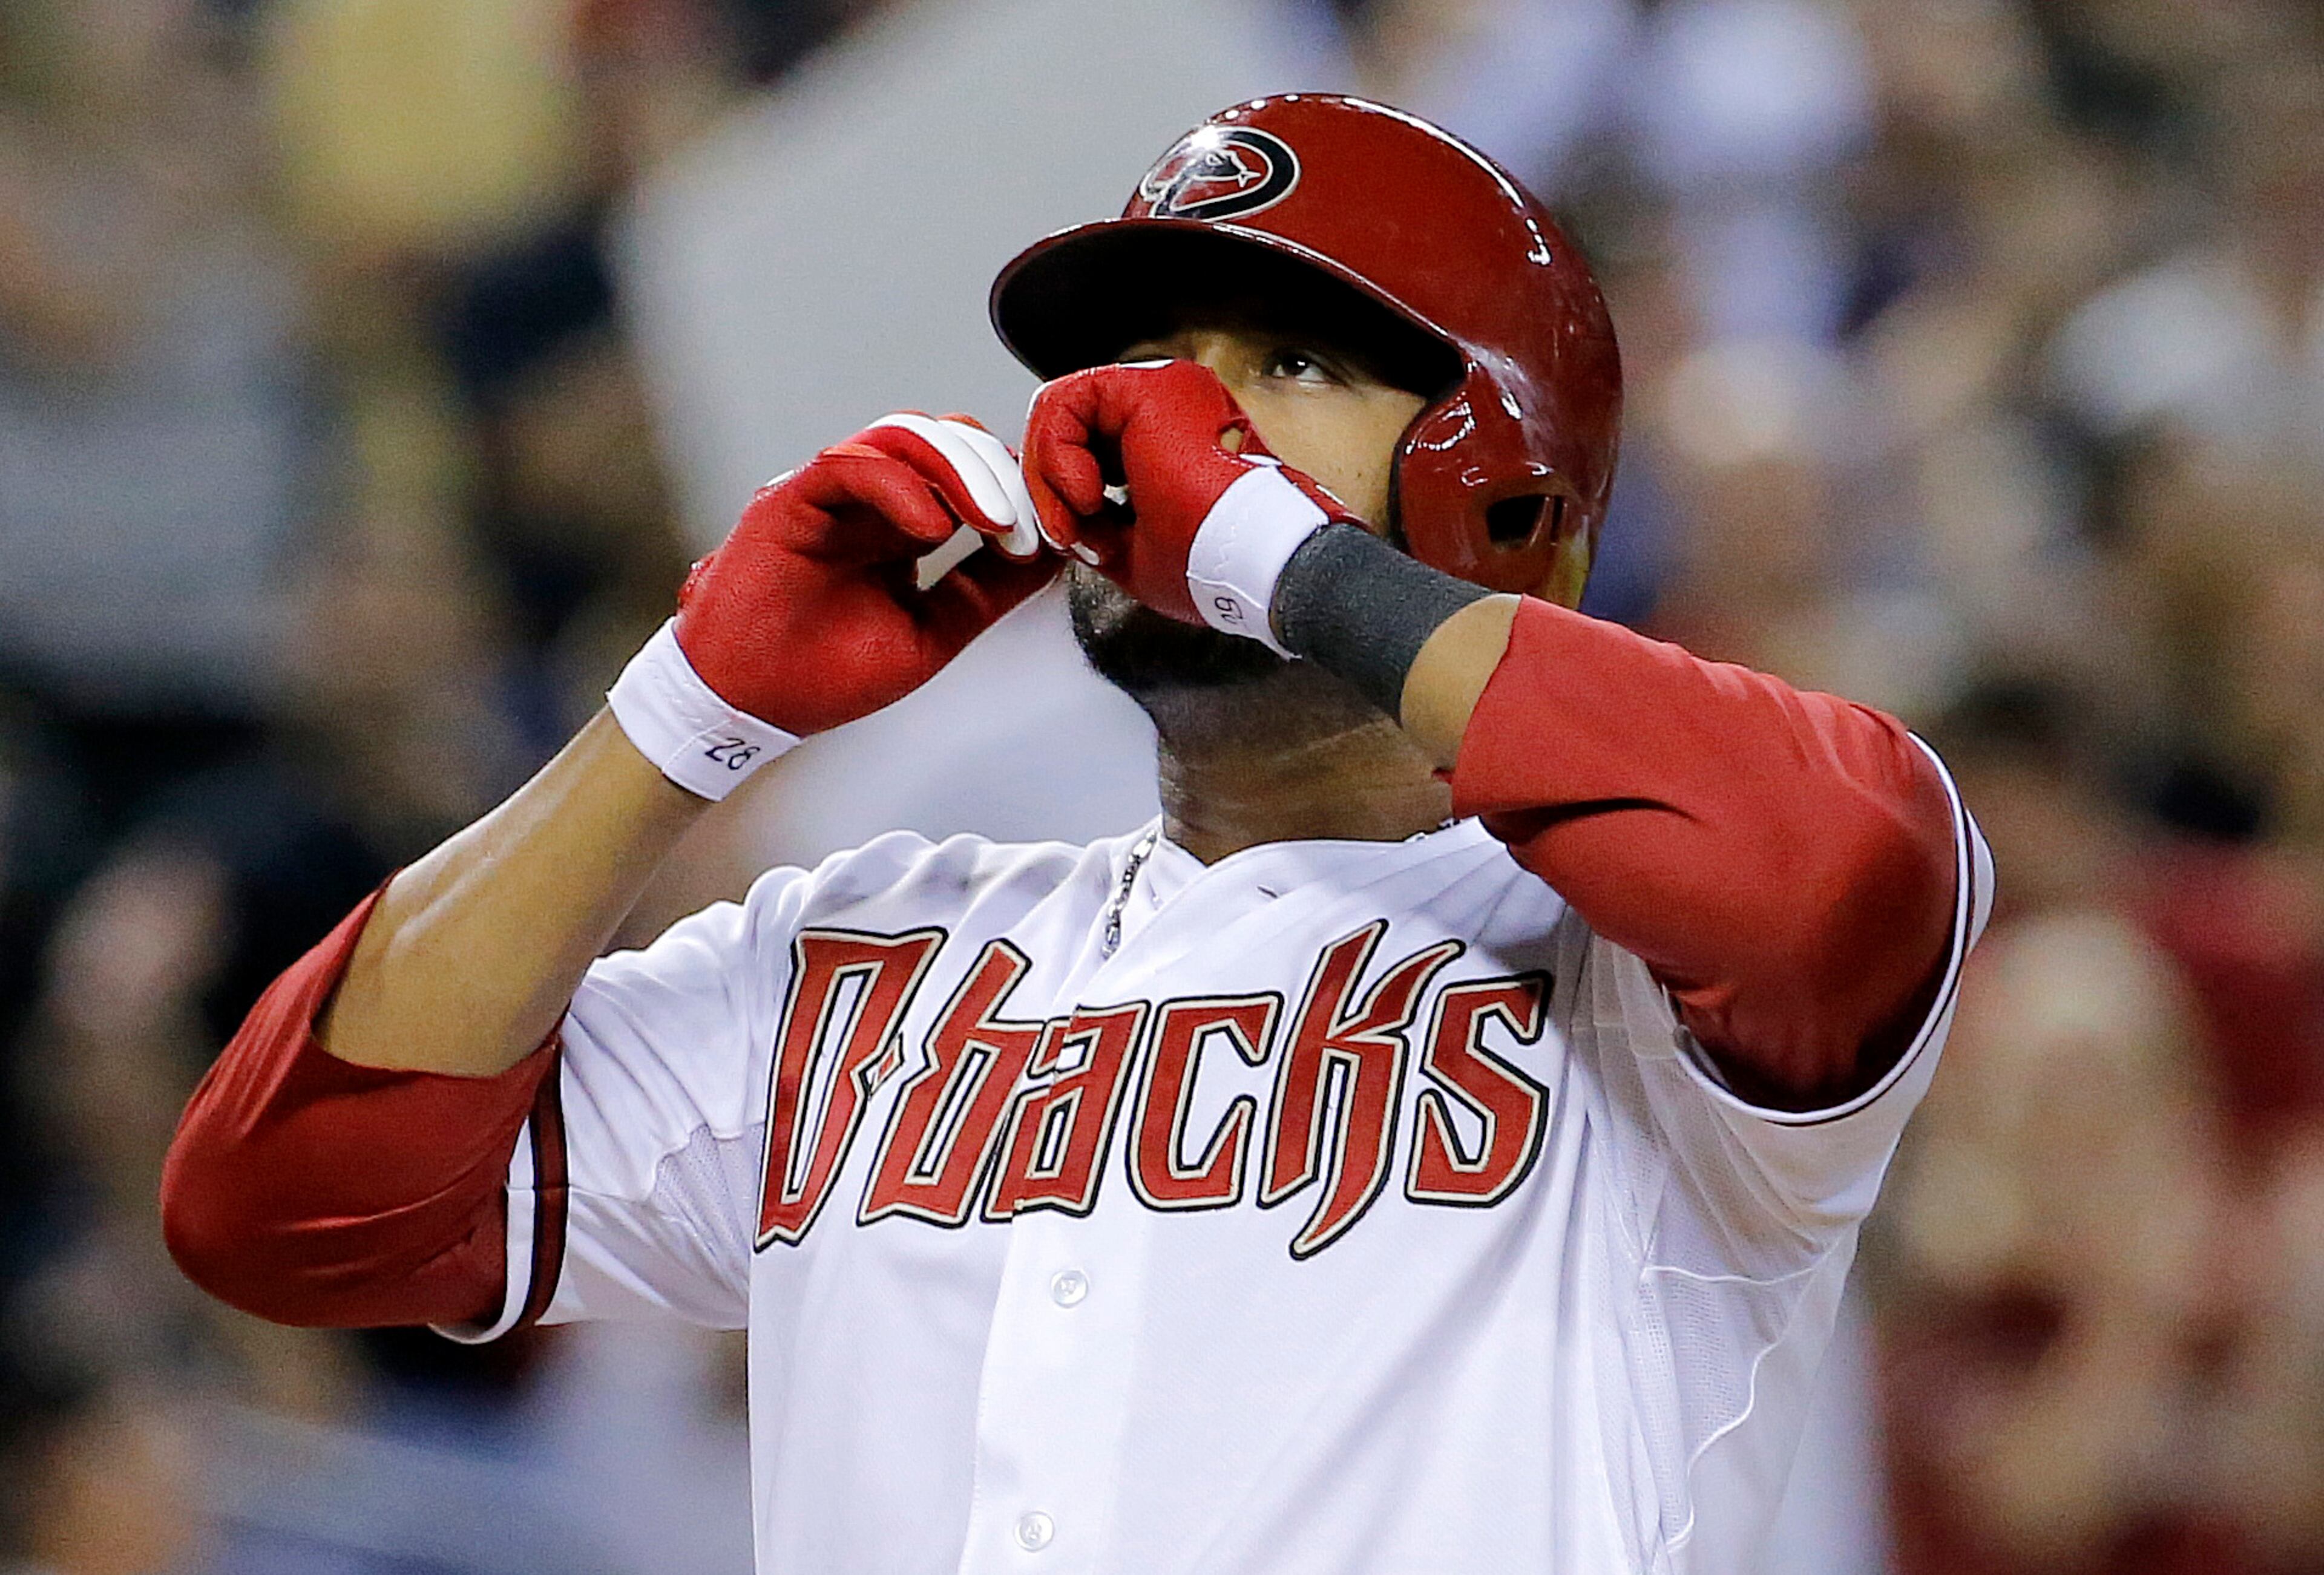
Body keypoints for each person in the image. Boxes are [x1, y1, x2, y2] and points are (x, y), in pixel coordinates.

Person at [161, 95, 1986, 1574]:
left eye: (1282, 367)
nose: (1168, 422)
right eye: (1149, 363)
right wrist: (685, 711)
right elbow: (286, 1203)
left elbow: (1840, 863)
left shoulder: (1648, 979)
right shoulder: (869, 946)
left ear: (1505, 496)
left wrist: (1279, 560)